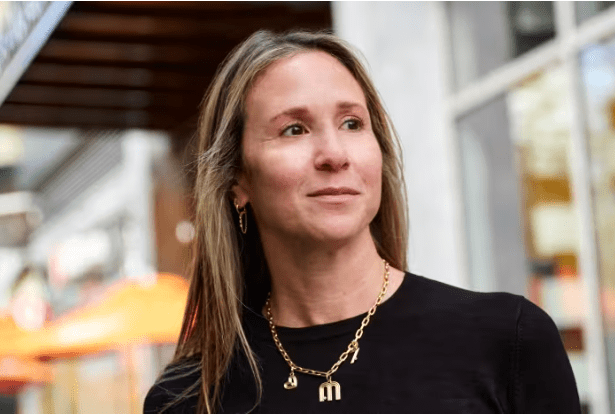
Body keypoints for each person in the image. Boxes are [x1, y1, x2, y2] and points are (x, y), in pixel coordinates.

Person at [144, 30, 581, 414]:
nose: (334, 154)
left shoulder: (508, 341)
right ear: (237, 179)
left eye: (352, 123)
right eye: (294, 129)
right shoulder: (186, 398)